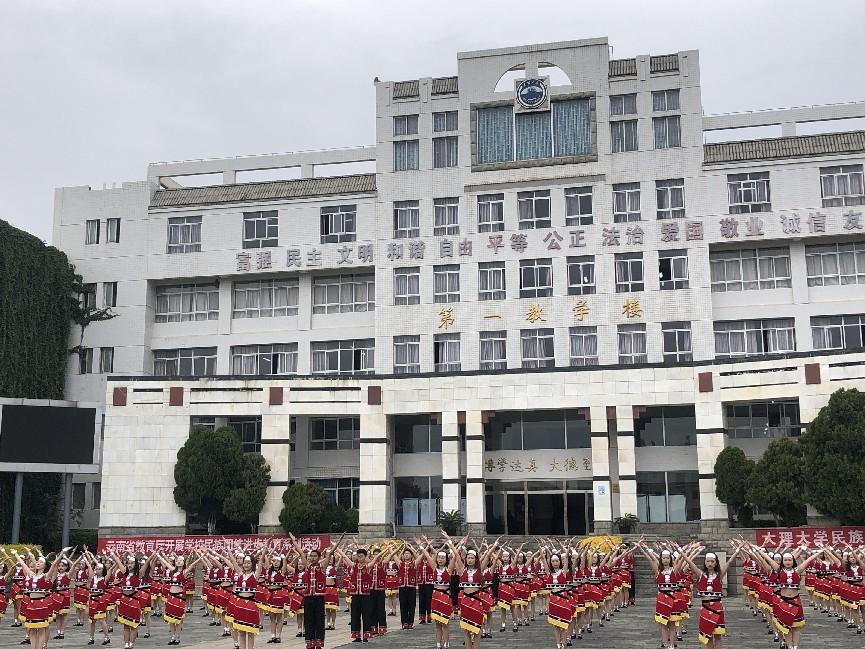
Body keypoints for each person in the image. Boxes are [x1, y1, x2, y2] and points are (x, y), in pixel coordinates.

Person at [677, 541, 741, 649]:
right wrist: (681, 550)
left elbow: (729, 562)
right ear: (705, 563)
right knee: (708, 635)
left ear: (716, 563)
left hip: (717, 607)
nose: (710, 563)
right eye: (708, 561)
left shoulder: (719, 575)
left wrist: (737, 550)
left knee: (718, 635)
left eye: (712, 561)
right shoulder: (701, 575)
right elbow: (690, 562)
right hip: (705, 608)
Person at [13, 547, 72, 649]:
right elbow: (23, 564)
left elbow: (54, 564)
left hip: (41, 604)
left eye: (41, 562)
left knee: (41, 629)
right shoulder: (31, 575)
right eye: (37, 562)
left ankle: (41, 646)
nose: (38, 563)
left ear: (45, 566)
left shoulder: (46, 576)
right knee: (32, 629)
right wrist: (15, 554)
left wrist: (62, 552)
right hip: (31, 604)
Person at [153, 551, 202, 645]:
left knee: (178, 620)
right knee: (170, 619)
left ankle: (177, 637)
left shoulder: (184, 572)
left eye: (180, 560)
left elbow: (192, 564)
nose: (178, 561)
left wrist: (200, 557)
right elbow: (166, 562)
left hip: (179, 597)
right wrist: (158, 555)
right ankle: (173, 636)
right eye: (177, 560)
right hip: (171, 596)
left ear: (183, 563)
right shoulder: (173, 570)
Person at [416, 535, 456, 649]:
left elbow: (455, 556)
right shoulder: (434, 568)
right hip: (436, 598)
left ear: (446, 559)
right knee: (437, 624)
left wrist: (450, 541)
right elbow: (427, 555)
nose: (440, 559)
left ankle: (446, 643)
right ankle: (438, 644)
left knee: (446, 623)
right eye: (439, 557)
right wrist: (421, 546)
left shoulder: (449, 569)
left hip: (446, 597)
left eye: (443, 558)